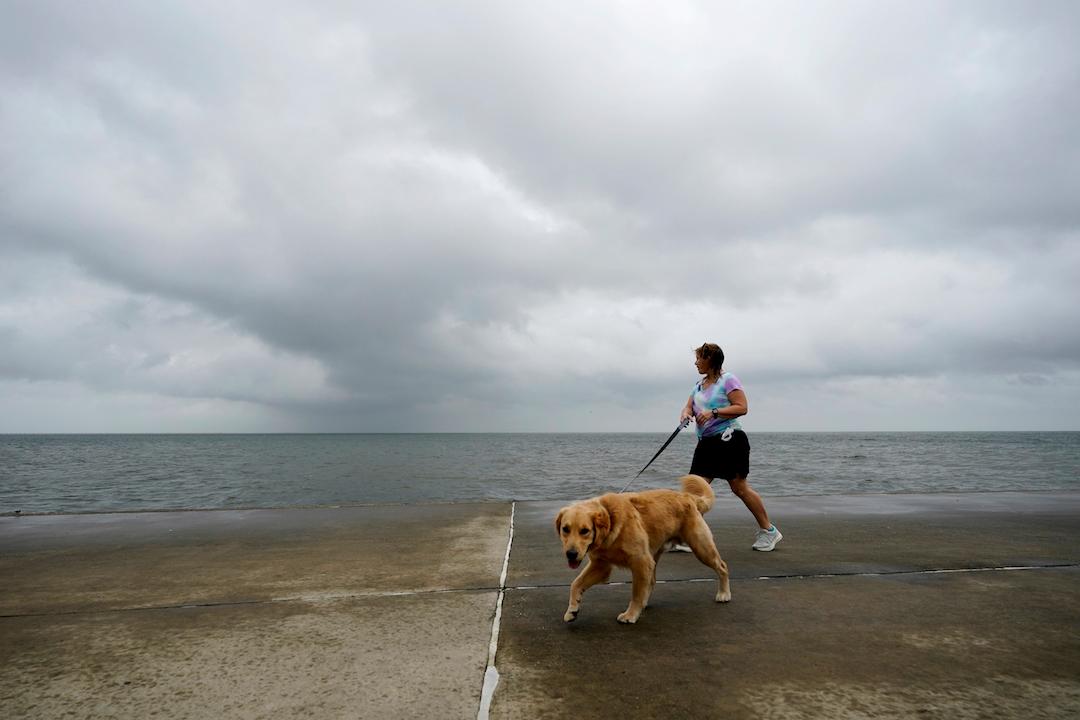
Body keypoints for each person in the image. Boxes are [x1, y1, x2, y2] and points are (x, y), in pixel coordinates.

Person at [674, 342, 782, 552]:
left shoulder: (728, 379)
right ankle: (688, 536)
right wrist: (686, 413)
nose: (696, 362)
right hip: (706, 443)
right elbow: (688, 406)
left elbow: (742, 407)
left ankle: (769, 531)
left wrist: (714, 412)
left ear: (710, 360)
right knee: (695, 488)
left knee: (739, 488)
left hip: (730, 440)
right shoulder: (699, 384)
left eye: (699, 358)